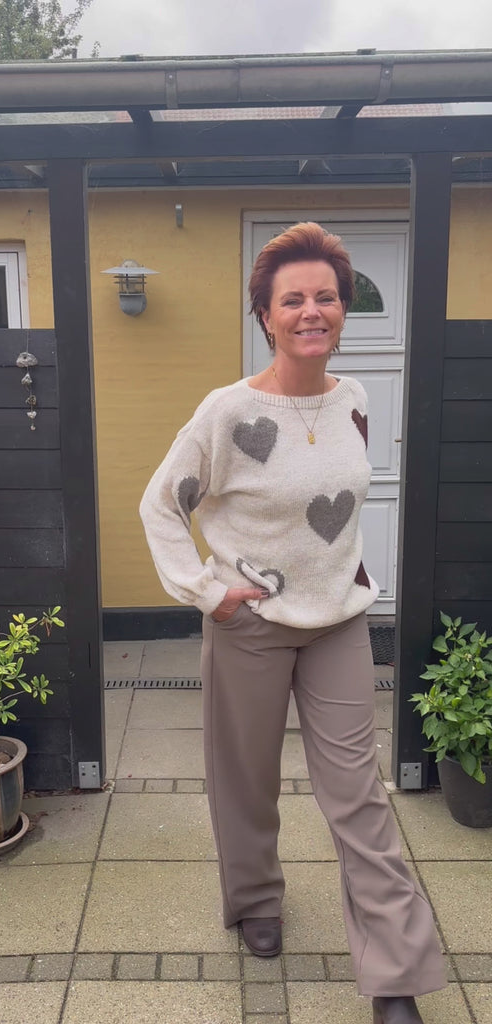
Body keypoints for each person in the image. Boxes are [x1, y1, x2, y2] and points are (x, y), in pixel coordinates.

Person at [139, 222, 446, 1024]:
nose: (313, 310)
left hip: (338, 622)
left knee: (359, 796)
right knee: (245, 779)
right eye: (293, 299)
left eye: (327, 297)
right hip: (251, 624)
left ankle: (395, 977)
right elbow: (161, 505)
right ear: (266, 316)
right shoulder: (226, 411)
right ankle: (255, 902)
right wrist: (207, 591)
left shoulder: (355, 399)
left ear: (343, 309)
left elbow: (334, 504)